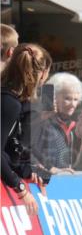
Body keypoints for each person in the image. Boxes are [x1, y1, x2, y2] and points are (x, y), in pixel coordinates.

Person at [1, 44, 51, 217]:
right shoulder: (9, 102)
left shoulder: (10, 99)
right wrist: (21, 189)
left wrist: (28, 170)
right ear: (41, 74)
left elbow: (8, 151)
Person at [32, 72, 82, 176]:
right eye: (67, 99)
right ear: (54, 98)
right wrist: (49, 169)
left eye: (75, 99)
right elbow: (29, 153)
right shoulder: (42, 122)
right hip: (42, 183)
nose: (73, 104)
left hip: (61, 182)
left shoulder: (73, 127)